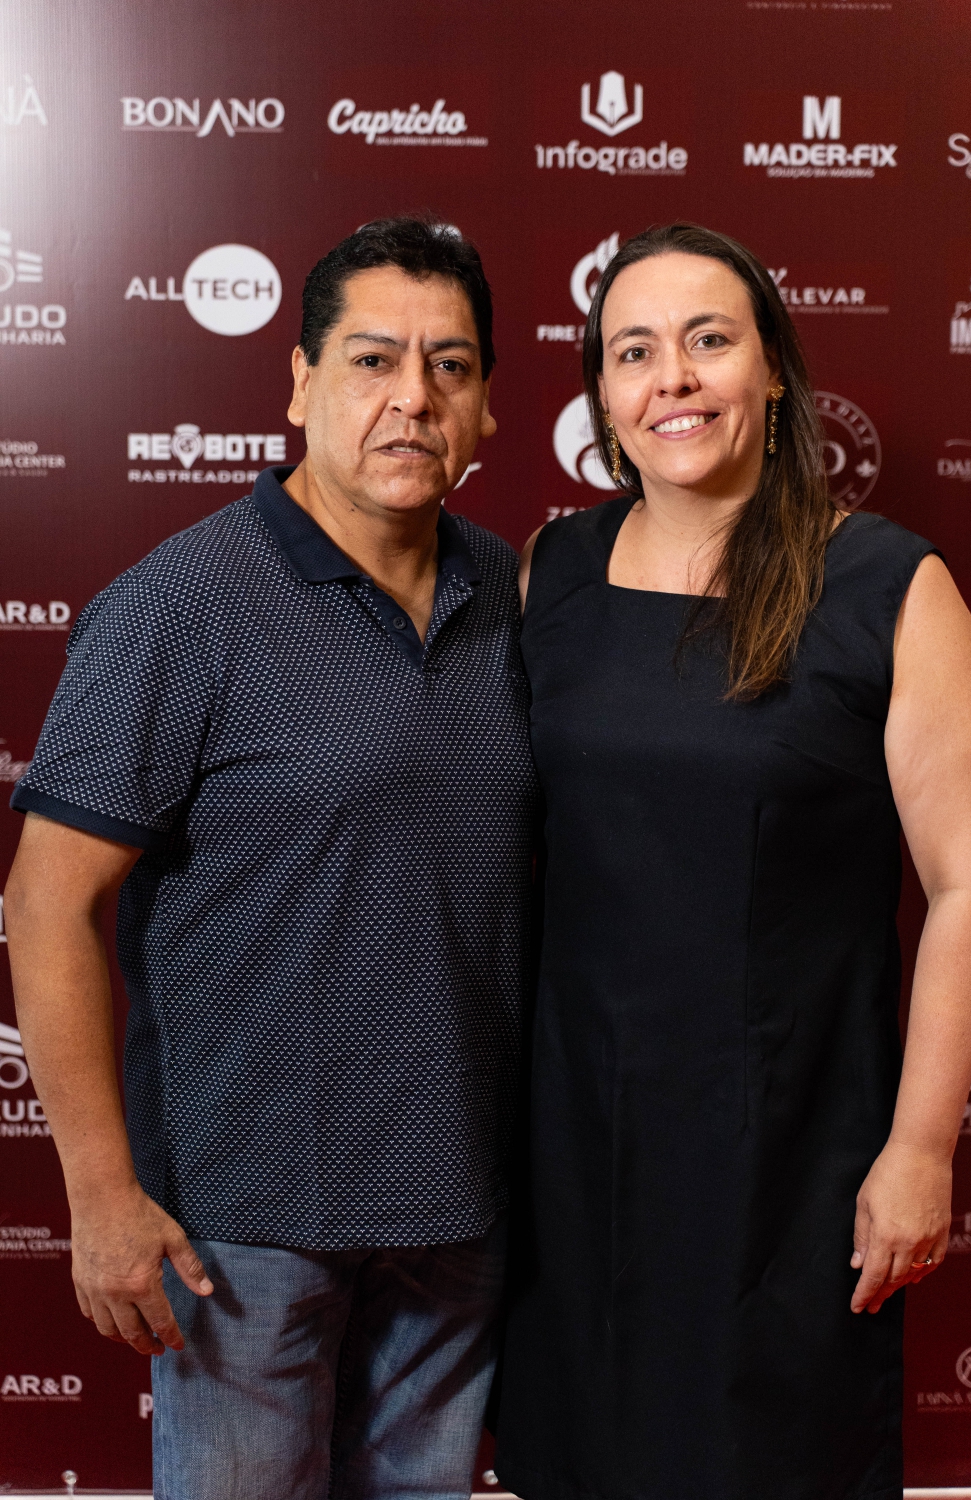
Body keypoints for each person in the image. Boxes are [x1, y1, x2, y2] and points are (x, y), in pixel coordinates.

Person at [4, 216, 538, 1500]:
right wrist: (101, 1195)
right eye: (372, 360)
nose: (413, 399)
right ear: (299, 383)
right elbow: (46, 902)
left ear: (486, 405)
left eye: (450, 366)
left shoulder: (512, 595)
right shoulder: (177, 606)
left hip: (460, 1210)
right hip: (240, 1223)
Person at [494, 222, 971, 1500]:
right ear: (603, 396)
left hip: (789, 1153)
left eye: (707, 341)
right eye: (633, 352)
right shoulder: (551, 571)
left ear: (772, 370)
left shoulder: (886, 586)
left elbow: (970, 890)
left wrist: (921, 1149)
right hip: (574, 1151)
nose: (671, 377)